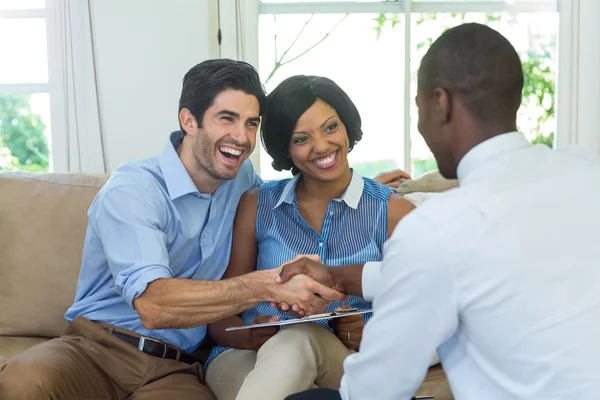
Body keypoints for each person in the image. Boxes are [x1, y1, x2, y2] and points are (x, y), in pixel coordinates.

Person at [0, 59, 408, 400]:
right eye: (226, 119)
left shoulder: (243, 182)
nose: (241, 137)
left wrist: (364, 189)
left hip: (177, 367)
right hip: (97, 347)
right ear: (189, 121)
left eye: (251, 123)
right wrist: (268, 286)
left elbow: (296, 190)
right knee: (24, 382)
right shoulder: (134, 190)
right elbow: (154, 305)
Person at [283, 23, 600, 399]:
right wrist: (334, 275)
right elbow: (463, 271)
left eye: (418, 107)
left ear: (440, 103)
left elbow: (375, 389)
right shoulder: (587, 170)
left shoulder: (439, 230)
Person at [203, 75, 415, 400]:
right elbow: (221, 311)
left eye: (331, 127)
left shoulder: (394, 213)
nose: (321, 146)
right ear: (285, 149)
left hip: (343, 363)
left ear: (347, 127)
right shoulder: (257, 205)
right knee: (287, 357)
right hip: (245, 358)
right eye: (301, 139)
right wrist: (250, 336)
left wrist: (370, 335)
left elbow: (426, 312)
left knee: (297, 338)